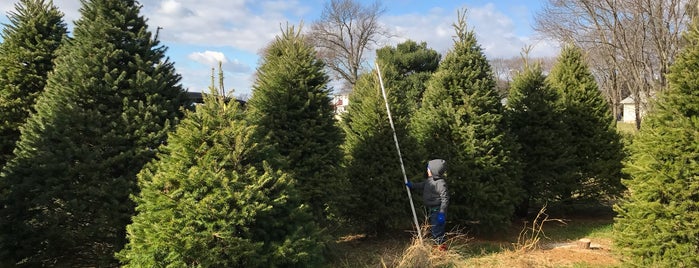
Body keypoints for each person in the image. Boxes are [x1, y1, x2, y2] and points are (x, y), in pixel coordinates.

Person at [406, 159, 449, 250]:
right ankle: (440, 247)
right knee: (435, 229)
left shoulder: (441, 184)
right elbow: (420, 185)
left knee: (437, 230)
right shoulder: (428, 181)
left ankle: (440, 250)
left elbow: (445, 199)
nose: (427, 171)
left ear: (434, 171)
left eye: (428, 169)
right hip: (432, 210)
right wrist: (412, 185)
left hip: (438, 211)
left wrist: (442, 213)